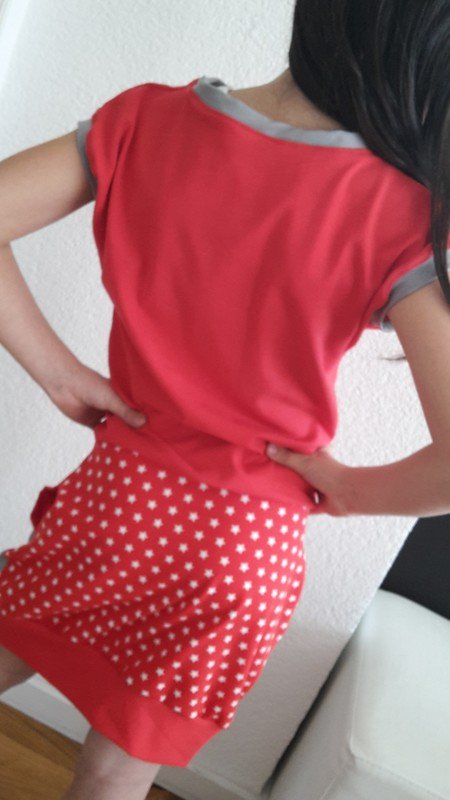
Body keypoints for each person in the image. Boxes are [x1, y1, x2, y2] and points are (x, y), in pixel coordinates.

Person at [0, 1, 449, 798]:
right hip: (243, 550)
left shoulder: (145, 120)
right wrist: (349, 490)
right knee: (115, 769)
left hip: (119, 501)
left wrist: (58, 372)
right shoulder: (406, 211)